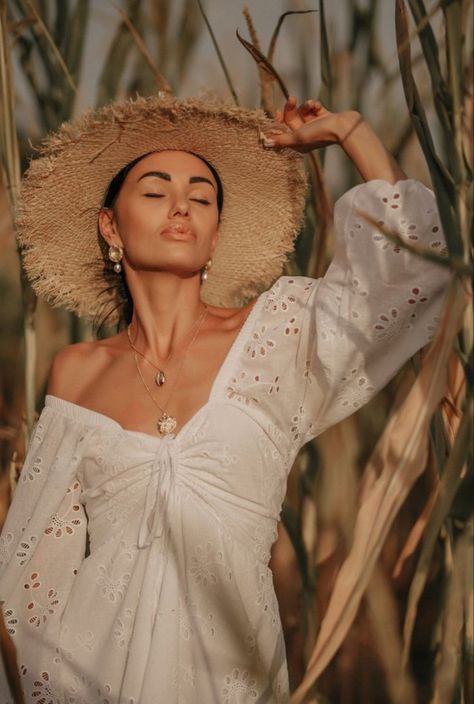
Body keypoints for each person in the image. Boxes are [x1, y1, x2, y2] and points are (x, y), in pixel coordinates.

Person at [0, 94, 449, 703]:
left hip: (230, 678)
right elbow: (31, 579)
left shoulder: (276, 337)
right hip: (89, 678)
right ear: (111, 225)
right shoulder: (76, 371)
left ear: (214, 238)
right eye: (155, 192)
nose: (181, 206)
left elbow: (405, 270)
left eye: (202, 198)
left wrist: (351, 131)